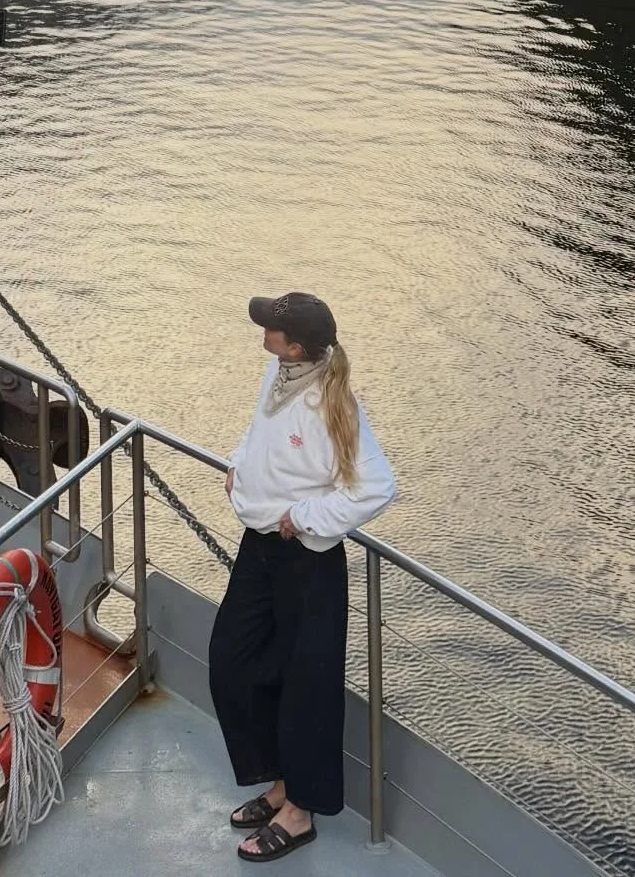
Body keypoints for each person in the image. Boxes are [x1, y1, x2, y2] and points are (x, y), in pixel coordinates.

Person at [209, 291, 397, 863]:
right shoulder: (279, 372)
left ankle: (301, 812)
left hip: (306, 561)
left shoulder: (332, 404)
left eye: (273, 328)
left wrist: (307, 517)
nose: (263, 331)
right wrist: (240, 463)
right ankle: (280, 781)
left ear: (296, 345)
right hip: (258, 549)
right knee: (233, 660)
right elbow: (258, 429)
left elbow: (376, 487)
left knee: (306, 688)